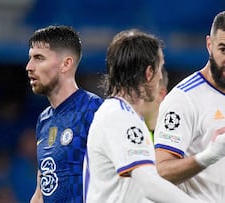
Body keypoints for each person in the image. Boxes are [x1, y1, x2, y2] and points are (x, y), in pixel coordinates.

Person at [83, 29, 205, 203]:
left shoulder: (120, 115)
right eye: (160, 67)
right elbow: (149, 184)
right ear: (149, 73)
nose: (161, 76)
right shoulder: (120, 118)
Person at [154, 10, 225, 203]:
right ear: (209, 45)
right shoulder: (183, 99)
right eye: (223, 49)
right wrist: (209, 156)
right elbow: (160, 172)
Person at [26, 25, 103, 203]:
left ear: (66, 64)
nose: (29, 67)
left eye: (39, 58)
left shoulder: (94, 110)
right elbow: (41, 192)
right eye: (30, 58)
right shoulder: (44, 119)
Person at [141, 66, 169, 142]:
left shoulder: (173, 136)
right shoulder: (122, 130)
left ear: (161, 94)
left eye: (145, 87)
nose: (137, 93)